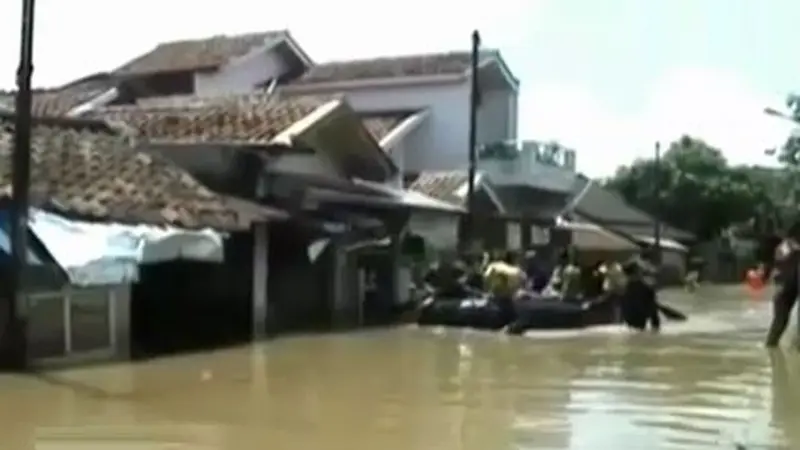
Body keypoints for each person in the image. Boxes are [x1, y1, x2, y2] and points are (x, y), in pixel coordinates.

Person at [765, 221, 800, 348]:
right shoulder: (785, 248)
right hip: (786, 285)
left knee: (779, 323)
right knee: (780, 322)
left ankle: (773, 349)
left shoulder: (783, 247)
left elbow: (776, 267)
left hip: (784, 286)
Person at [483, 250, 525, 322]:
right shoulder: (517, 270)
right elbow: (522, 281)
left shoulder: (493, 266)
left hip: (497, 297)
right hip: (508, 298)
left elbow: (486, 277)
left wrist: (488, 290)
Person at [620, 261, 660, 332]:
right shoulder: (645, 287)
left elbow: (623, 305)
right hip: (640, 317)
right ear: (637, 272)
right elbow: (653, 308)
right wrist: (655, 323)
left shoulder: (624, 288)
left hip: (630, 319)